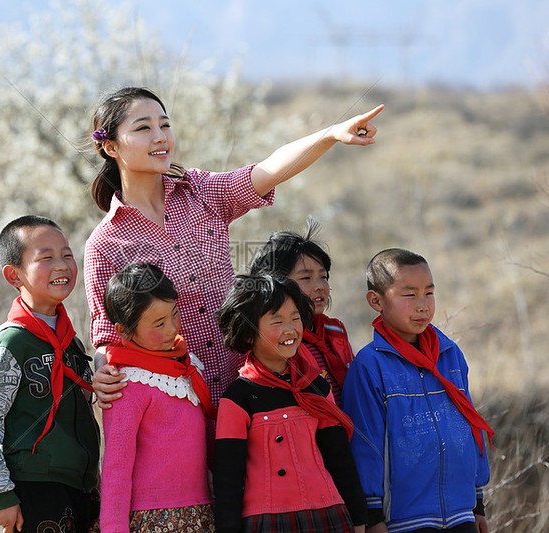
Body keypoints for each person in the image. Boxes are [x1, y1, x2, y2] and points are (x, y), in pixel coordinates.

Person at [84, 86, 383, 408]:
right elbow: (108, 333)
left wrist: (330, 135)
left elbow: (269, 170)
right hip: (178, 403)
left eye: (165, 125)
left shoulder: (201, 192)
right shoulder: (105, 242)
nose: (160, 137)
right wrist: (103, 371)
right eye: (143, 127)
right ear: (110, 146)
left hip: (249, 392)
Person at [341, 248, 494, 533]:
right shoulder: (370, 366)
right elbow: (366, 446)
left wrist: (477, 503)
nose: (423, 305)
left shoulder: (449, 355)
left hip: (462, 514)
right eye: (410, 295)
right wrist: (373, 516)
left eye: (429, 293)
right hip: (403, 520)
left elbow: (470, 425)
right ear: (376, 300)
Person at [0, 215, 100, 533]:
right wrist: (0, 493)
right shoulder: (11, 340)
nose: (62, 265)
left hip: (81, 486)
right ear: (14, 275)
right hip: (33, 486)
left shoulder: (72, 343)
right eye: (46, 258)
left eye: (67, 255)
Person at [213, 274, 367, 533]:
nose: (290, 329)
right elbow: (228, 480)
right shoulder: (237, 398)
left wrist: (360, 521)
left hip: (331, 517)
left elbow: (340, 459)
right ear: (249, 333)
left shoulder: (316, 386)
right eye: (277, 321)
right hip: (267, 524)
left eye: (295, 318)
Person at [98, 262, 215, 532]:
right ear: (124, 331)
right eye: (158, 323)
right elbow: (116, 466)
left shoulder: (187, 366)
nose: (171, 329)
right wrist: (113, 527)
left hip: (200, 513)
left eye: (175, 315)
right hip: (152, 519)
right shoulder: (125, 383)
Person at [249, 216, 355, 407]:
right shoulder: (274, 339)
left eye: (324, 277)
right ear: (275, 283)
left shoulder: (334, 331)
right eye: (306, 277)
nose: (320, 286)